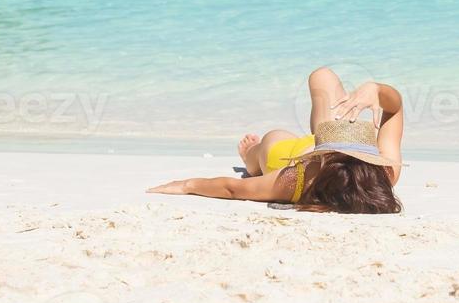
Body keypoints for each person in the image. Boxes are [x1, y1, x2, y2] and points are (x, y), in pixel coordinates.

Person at [146, 67, 403, 214]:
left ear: (327, 156)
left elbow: (233, 189)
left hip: (286, 153)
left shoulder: (294, 180)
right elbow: (396, 109)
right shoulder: (385, 174)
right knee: (322, 77)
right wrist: (376, 90)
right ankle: (350, 105)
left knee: (268, 144)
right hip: (319, 145)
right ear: (372, 157)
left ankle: (250, 157)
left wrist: (187, 185)